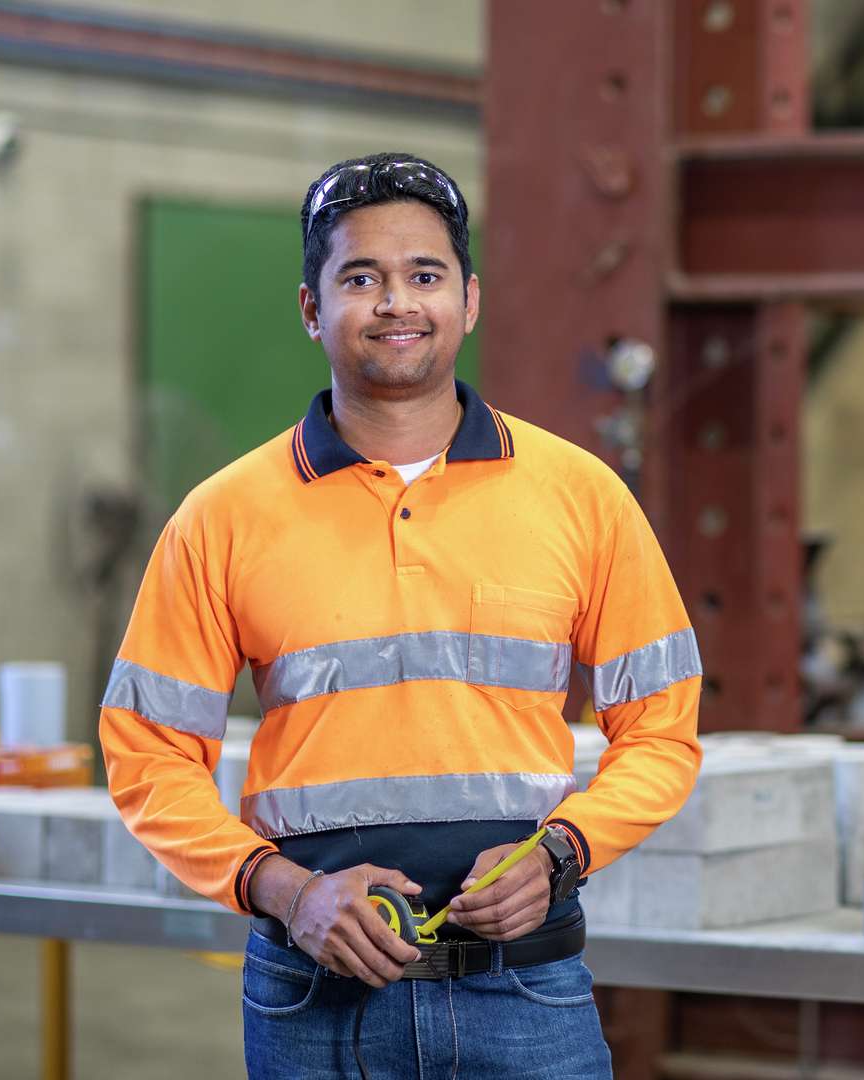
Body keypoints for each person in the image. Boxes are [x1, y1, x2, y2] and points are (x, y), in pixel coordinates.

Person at [99, 152, 703, 1078]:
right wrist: (287, 892)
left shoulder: (581, 496)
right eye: (360, 278)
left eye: (423, 276)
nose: (396, 303)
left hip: (526, 994)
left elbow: (661, 729)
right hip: (312, 1002)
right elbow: (146, 753)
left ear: (469, 299)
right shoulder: (222, 517)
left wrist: (564, 853)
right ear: (312, 309)